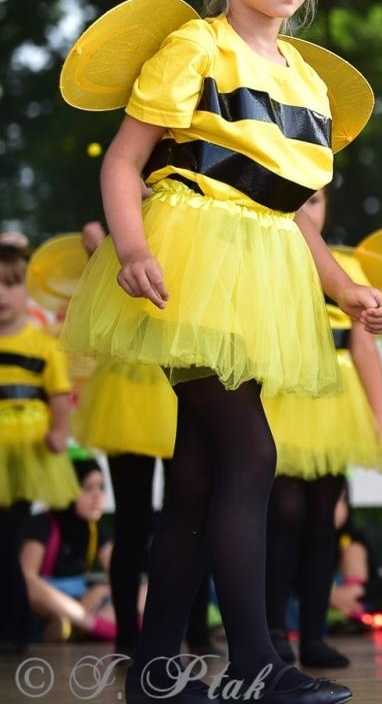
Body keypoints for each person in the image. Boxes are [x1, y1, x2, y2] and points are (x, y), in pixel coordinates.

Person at [58, 0, 382, 704]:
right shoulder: (192, 48)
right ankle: (255, 662)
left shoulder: (309, 80)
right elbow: (125, 162)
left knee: (201, 473)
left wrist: (342, 288)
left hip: (268, 269)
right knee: (252, 453)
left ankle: (158, 667)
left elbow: (290, 211)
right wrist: (131, 249)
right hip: (190, 262)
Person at [71, 221, 214, 657]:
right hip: (128, 391)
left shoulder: (192, 219)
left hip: (178, 381)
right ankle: (129, 637)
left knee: (191, 517)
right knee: (134, 523)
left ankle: (197, 632)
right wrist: (104, 247)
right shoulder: (115, 227)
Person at [263, 187, 382, 669]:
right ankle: (274, 629)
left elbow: (363, 351)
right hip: (280, 398)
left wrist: (378, 416)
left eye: (314, 201)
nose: (304, 210)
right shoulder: (267, 260)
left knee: (323, 522)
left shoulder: (344, 273)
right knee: (283, 515)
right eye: (295, 200)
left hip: (334, 406)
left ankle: (314, 633)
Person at [0, 241, 78, 652]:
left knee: (8, 541)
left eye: (10, 284)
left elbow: (59, 397)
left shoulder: (42, 343)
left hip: (22, 454)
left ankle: (15, 630)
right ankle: (14, 627)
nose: (1, 294)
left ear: (25, 290)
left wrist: (59, 432)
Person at [20, 454, 116, 642]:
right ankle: (88, 626)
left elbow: (121, 575)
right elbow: (27, 578)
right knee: (28, 591)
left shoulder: (95, 528)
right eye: (87, 488)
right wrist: (77, 612)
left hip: (83, 602)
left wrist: (102, 589)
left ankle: (73, 627)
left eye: (101, 487)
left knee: (142, 592)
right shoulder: (44, 523)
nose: (97, 496)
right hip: (49, 603)